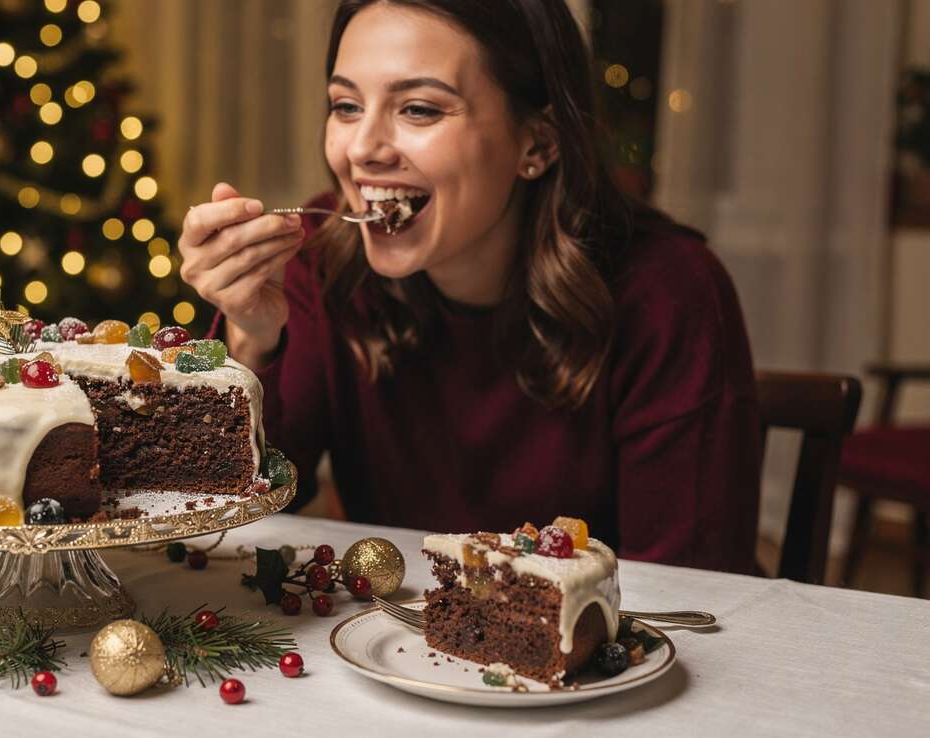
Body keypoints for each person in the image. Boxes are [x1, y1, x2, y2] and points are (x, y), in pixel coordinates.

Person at [178, 0, 761, 573]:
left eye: (420, 110)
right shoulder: (322, 257)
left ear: (537, 143)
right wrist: (252, 338)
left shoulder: (670, 292)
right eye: (347, 105)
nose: (361, 150)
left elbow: (692, 590)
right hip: (399, 644)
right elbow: (242, 507)